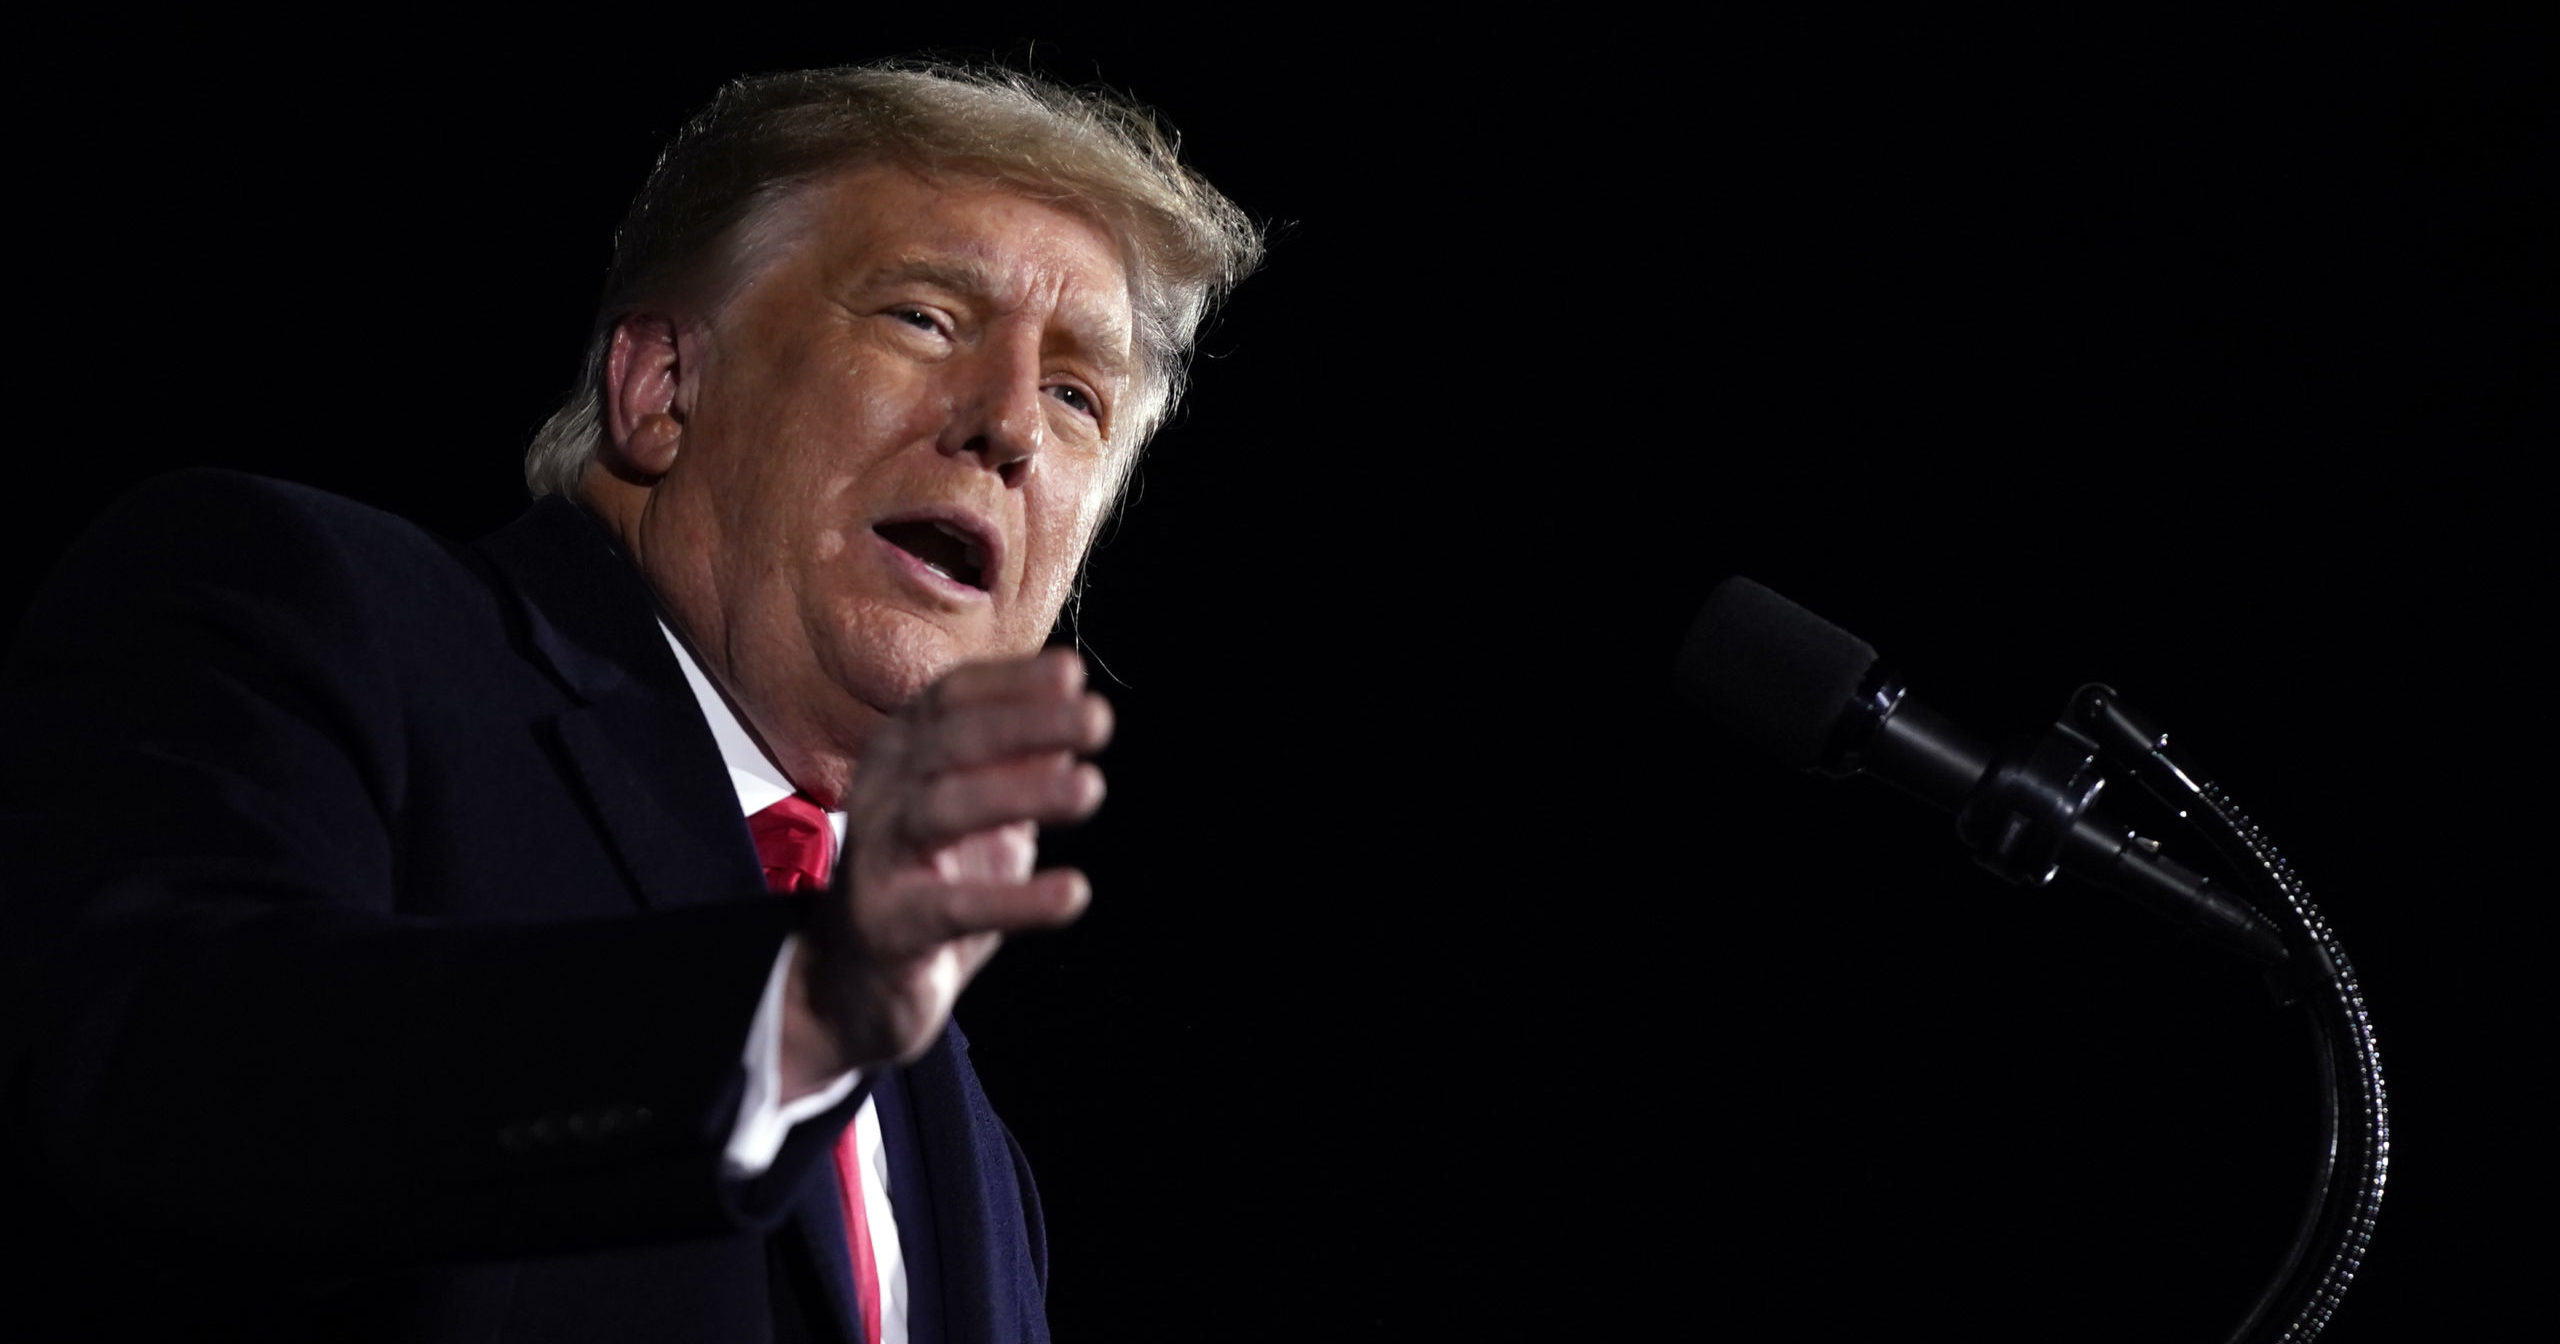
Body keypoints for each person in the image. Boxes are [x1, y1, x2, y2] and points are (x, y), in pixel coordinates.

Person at [0, 63, 1261, 1342]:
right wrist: (790, 1011)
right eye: (925, 318)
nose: (1010, 429)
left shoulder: (972, 1148)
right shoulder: (301, 609)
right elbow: (167, 1072)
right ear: (660, 390)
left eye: (1076, 397)